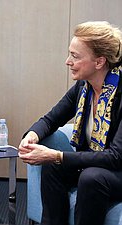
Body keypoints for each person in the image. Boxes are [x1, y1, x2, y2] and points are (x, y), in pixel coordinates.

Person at [19, 21, 122, 225]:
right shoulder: (83, 87)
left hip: (117, 170)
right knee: (52, 168)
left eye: (75, 56)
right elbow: (51, 119)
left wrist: (57, 155)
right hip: (95, 163)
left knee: (91, 178)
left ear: (99, 62)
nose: (68, 61)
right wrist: (31, 136)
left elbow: (115, 157)